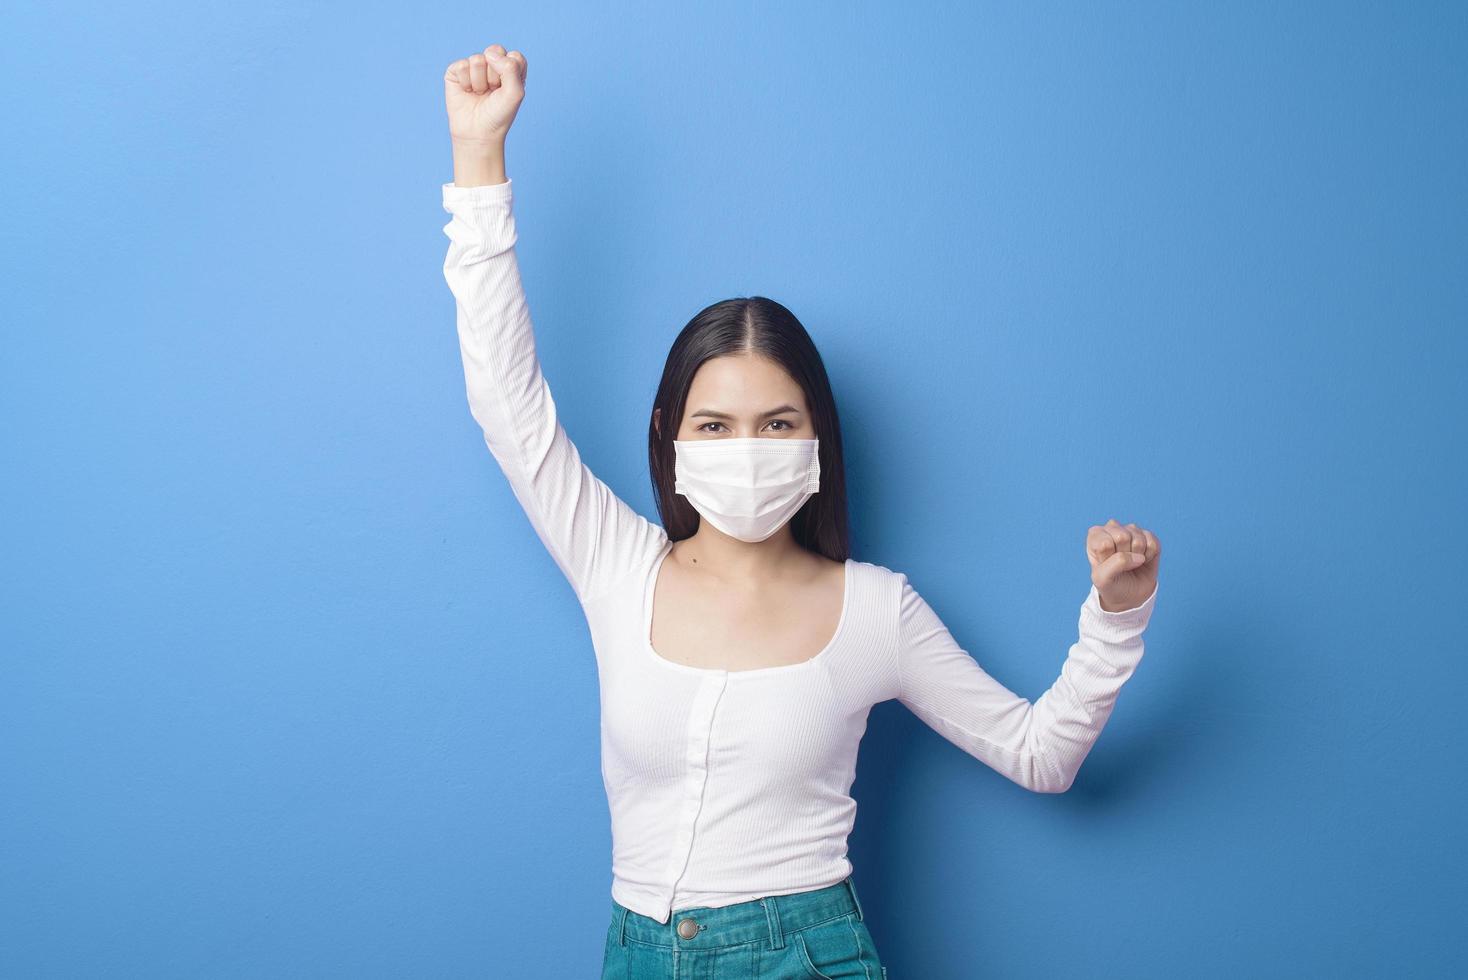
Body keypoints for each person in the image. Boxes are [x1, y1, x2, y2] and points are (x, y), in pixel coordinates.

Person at [440, 43, 1161, 980]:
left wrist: (1117, 619)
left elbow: (1039, 754)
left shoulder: (876, 611)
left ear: (817, 440)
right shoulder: (617, 564)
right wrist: (477, 160)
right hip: (637, 953)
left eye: (776, 423)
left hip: (805, 958)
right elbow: (508, 401)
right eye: (717, 423)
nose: (746, 447)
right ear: (671, 435)